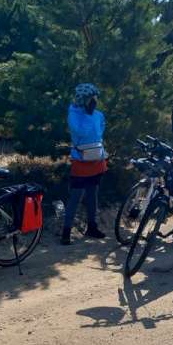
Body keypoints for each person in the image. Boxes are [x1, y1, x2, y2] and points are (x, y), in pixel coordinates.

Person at [61, 83, 107, 245]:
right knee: (75, 197)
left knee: (93, 195)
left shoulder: (98, 115)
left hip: (96, 159)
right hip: (80, 161)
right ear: (84, 98)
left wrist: (91, 115)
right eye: (93, 98)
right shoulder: (73, 114)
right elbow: (82, 132)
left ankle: (92, 227)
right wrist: (88, 115)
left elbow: (100, 131)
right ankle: (66, 231)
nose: (95, 100)